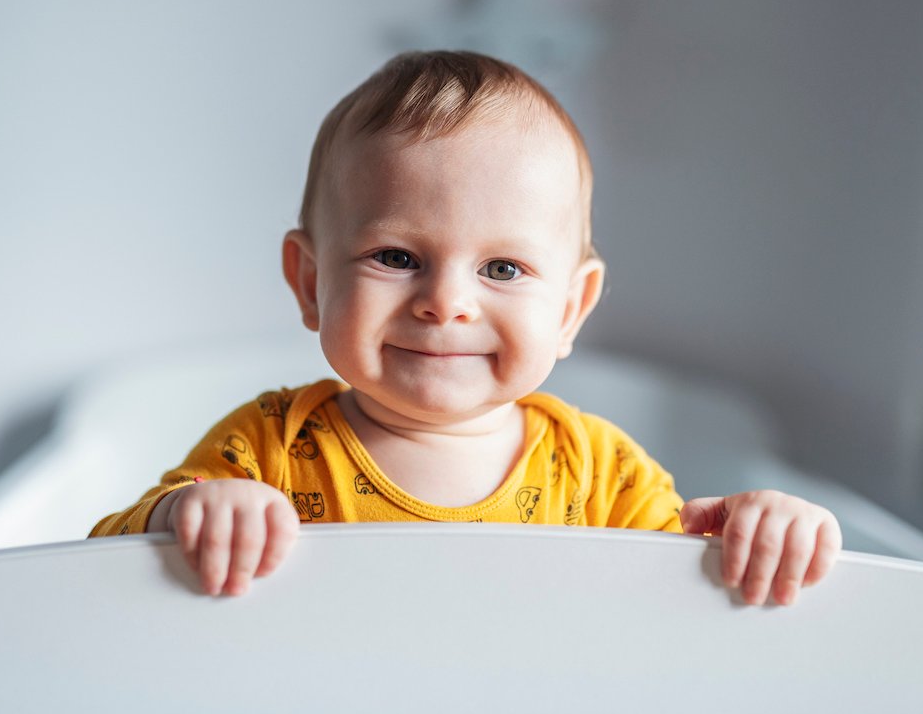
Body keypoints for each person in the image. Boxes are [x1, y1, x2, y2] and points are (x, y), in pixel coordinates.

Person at [91, 51, 841, 606]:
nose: (446, 303)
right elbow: (103, 563)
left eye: (504, 269)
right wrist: (186, 514)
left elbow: (681, 602)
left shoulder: (598, 473)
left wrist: (760, 529)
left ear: (571, 309)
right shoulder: (270, 447)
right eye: (396, 256)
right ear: (312, 281)